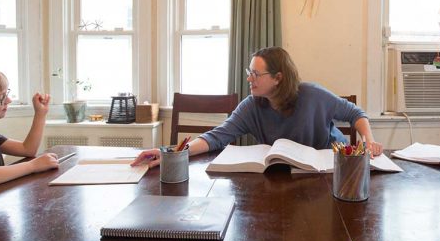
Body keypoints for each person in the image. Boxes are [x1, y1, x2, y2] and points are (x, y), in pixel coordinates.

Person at [133, 46, 383, 167]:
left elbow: (355, 114)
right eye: (248, 72)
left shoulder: (313, 95)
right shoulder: (251, 106)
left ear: (278, 78)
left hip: (327, 173)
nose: (249, 78)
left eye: (256, 73)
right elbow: (215, 138)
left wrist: (368, 140)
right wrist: (172, 153)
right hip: (284, 177)